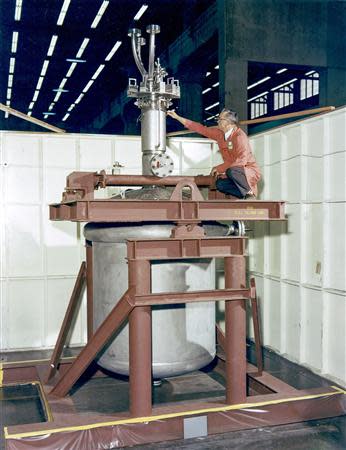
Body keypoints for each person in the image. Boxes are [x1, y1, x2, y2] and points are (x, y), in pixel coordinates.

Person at [167, 109, 261, 199]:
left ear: (228, 122)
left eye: (220, 119)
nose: (218, 121)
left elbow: (242, 160)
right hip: (233, 170)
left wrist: (220, 169)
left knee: (231, 171)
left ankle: (249, 193)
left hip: (247, 171)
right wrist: (178, 117)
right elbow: (201, 129)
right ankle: (243, 195)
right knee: (219, 184)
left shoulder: (239, 137)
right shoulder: (220, 134)